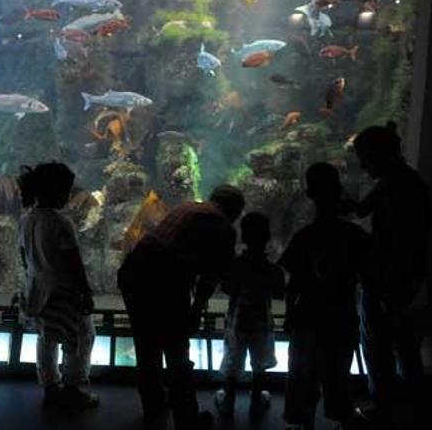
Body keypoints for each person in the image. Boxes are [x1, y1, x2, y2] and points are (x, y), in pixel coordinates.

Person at [118, 184, 245, 430]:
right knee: (177, 352)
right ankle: (187, 418)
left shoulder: (186, 208)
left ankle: (153, 406)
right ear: (235, 210)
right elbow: (211, 275)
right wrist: (196, 309)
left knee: (146, 347)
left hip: (133, 275)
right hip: (165, 284)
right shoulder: (222, 226)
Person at [279, 163, 371, 430]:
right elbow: (369, 273)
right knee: (338, 375)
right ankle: (344, 417)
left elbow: (293, 284)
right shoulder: (355, 235)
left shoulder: (304, 237)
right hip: (341, 317)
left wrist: (288, 315)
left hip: (307, 317)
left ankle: (303, 421)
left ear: (309, 193)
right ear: (340, 191)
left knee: (301, 377)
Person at [350, 123, 431, 422]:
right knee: (403, 346)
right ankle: (412, 408)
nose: (361, 164)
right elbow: (361, 209)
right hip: (401, 280)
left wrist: (388, 286)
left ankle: (383, 409)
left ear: (379, 154)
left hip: (390, 282)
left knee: (380, 347)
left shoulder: (399, 187)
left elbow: (405, 241)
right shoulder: (399, 180)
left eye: (364, 157)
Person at [16, 162, 98, 409]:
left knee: (46, 337)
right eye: (66, 190)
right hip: (63, 293)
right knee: (80, 337)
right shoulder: (61, 223)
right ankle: (73, 388)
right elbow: (74, 262)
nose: (69, 196)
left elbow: (23, 256)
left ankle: (50, 386)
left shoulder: (26, 219)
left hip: (36, 291)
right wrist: (86, 291)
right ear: (55, 191)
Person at [214, 212, 285, 417]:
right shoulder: (272, 269)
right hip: (262, 322)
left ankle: (228, 400)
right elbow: (280, 292)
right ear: (268, 237)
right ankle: (256, 399)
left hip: (237, 321)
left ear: (243, 236)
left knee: (233, 357)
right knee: (259, 361)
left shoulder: (236, 265)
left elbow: (227, 288)